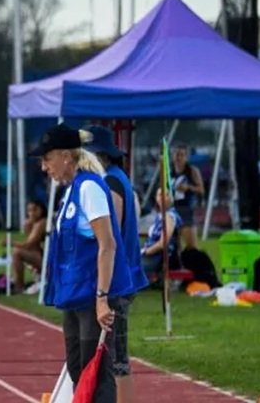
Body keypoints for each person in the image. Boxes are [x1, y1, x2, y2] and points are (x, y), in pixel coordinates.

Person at [33, 124, 135, 403]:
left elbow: (108, 244)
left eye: (47, 159)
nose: (44, 167)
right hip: (75, 295)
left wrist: (102, 298)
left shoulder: (89, 188)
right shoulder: (71, 191)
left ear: (66, 156)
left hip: (93, 296)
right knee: (79, 369)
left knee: (97, 373)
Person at [82, 125, 149, 403]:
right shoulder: (117, 178)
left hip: (119, 278)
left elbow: (111, 233)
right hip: (124, 274)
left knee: (116, 358)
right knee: (116, 355)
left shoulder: (110, 183)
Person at [141, 188, 182, 281]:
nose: (162, 197)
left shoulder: (169, 216)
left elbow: (163, 243)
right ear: (156, 198)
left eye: (166, 195)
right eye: (159, 195)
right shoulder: (160, 215)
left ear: (172, 198)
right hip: (153, 254)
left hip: (160, 257)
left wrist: (145, 252)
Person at [9, 200, 47, 294]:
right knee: (18, 252)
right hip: (43, 258)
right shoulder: (33, 224)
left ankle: (19, 286)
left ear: (41, 210)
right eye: (29, 210)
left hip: (51, 262)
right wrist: (28, 227)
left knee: (17, 252)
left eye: (34, 210)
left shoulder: (42, 222)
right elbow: (33, 247)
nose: (31, 213)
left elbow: (28, 244)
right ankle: (21, 282)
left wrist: (11, 242)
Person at [170, 144, 204, 250]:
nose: (178, 157)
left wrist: (188, 187)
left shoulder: (192, 171)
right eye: (176, 154)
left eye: (181, 155)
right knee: (174, 246)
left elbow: (201, 189)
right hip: (172, 210)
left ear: (186, 157)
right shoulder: (169, 171)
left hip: (186, 209)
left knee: (191, 247)